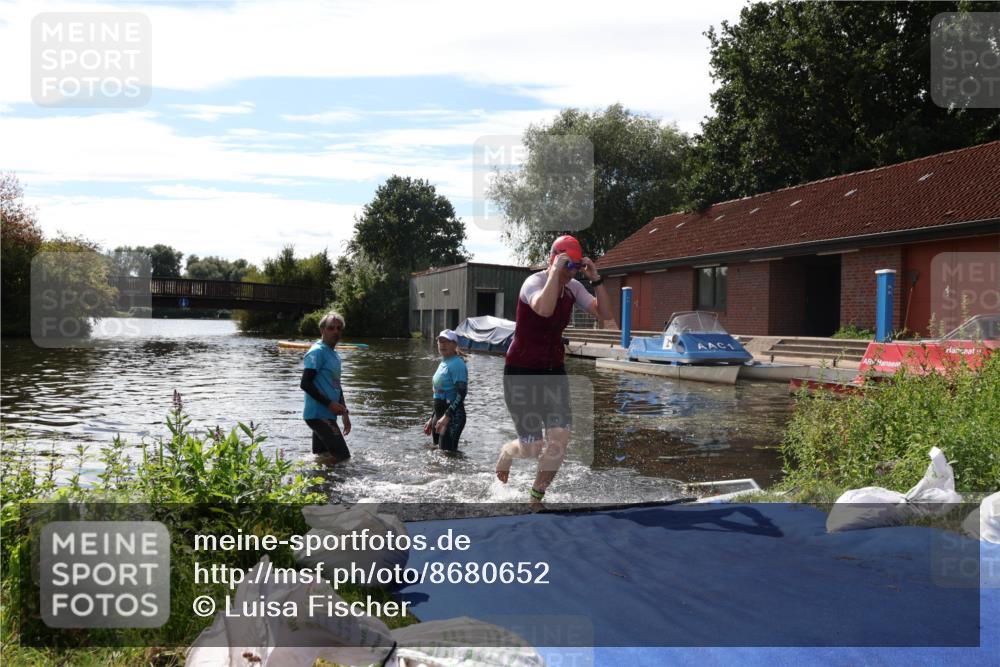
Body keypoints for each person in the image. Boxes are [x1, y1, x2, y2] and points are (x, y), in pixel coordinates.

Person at [496, 235, 613, 505]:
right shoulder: (533, 283)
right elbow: (544, 309)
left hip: (553, 371)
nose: (571, 273)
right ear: (555, 260)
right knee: (532, 448)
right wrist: (554, 273)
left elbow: (604, 315)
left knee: (560, 437)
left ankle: (536, 496)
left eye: (575, 267)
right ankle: (508, 452)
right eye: (567, 266)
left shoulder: (573, 287)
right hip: (521, 371)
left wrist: (596, 280)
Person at [300, 311, 351, 463]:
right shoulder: (317, 352)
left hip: (327, 414)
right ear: (322, 330)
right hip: (318, 414)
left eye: (339, 328)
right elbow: (305, 383)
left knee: (322, 457)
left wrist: (345, 412)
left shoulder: (334, 355)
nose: (336, 331)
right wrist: (329, 404)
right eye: (331, 328)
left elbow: (336, 386)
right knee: (343, 458)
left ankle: (319, 483)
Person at [423, 329, 468, 452]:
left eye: (447, 342)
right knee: (437, 454)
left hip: (453, 418)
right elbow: (439, 394)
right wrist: (432, 418)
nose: (442, 344)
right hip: (439, 416)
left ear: (454, 345)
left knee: (447, 456)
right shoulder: (443, 363)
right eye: (440, 341)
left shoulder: (457, 364)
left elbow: (461, 394)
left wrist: (447, 417)